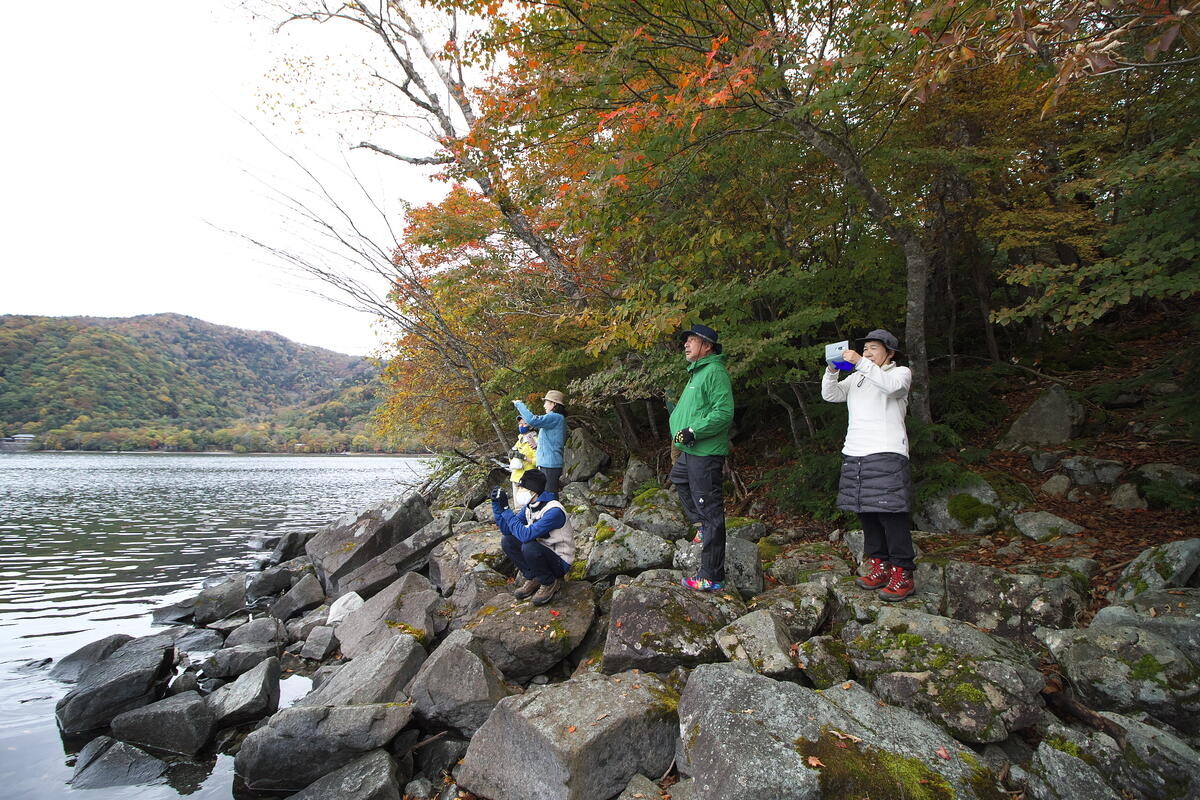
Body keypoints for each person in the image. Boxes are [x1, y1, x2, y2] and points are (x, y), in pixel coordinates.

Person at [821, 328, 916, 601]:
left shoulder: (899, 373)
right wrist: (831, 370)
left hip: (886, 451)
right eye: (865, 348)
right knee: (866, 513)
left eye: (874, 348)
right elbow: (831, 395)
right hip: (855, 453)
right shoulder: (857, 378)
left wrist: (861, 363)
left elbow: (892, 388)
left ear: (890, 352)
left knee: (892, 513)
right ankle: (879, 566)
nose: (867, 352)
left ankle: (903, 572)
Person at [669, 324, 735, 591]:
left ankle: (712, 575)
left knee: (711, 512)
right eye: (686, 341)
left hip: (705, 452)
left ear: (706, 346)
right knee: (679, 479)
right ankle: (700, 527)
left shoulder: (715, 372)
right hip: (690, 451)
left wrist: (694, 431)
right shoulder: (697, 373)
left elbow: (724, 412)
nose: (686, 344)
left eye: (692, 340)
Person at [490, 469, 575, 606]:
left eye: (522, 487)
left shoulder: (554, 511)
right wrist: (497, 505)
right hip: (543, 553)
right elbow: (507, 530)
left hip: (560, 561)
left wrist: (506, 509)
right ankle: (534, 577)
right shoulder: (529, 507)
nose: (519, 490)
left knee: (528, 545)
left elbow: (525, 535)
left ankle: (549, 582)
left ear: (533, 490)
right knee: (508, 541)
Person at [513, 390, 567, 494]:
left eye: (546, 402)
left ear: (554, 404)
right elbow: (553, 442)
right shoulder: (558, 419)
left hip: (550, 465)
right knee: (545, 495)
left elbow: (532, 420)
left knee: (550, 497)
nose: (544, 405)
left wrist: (519, 404)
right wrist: (538, 447)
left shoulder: (555, 417)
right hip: (548, 464)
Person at [508, 417, 539, 498]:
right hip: (515, 477)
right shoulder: (519, 441)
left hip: (528, 479)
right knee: (517, 508)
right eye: (520, 424)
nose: (521, 426)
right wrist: (511, 456)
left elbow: (539, 461)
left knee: (526, 506)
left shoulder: (535, 440)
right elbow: (512, 460)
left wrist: (524, 458)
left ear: (531, 426)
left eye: (524, 423)